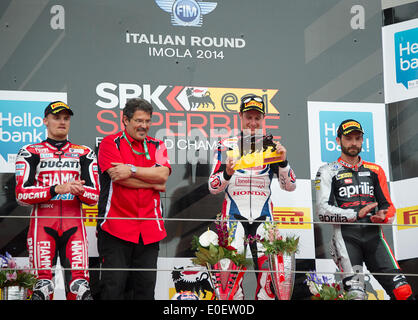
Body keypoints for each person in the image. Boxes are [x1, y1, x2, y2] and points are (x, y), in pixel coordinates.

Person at [208, 95, 296, 300]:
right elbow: (213, 187)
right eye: (249, 117)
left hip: (264, 218)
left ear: (264, 118)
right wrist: (227, 173)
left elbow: (290, 186)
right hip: (233, 217)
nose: (253, 123)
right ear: (240, 116)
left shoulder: (272, 146)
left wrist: (283, 163)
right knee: (227, 282)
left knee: (269, 282)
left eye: (257, 118)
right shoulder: (226, 145)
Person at [315, 119, 414, 300]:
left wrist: (383, 216)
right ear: (338, 141)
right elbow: (322, 211)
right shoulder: (327, 171)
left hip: (374, 237)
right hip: (346, 239)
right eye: (348, 138)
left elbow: (388, 206)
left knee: (403, 292)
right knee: (356, 296)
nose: (353, 143)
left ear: (362, 140)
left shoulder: (375, 170)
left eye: (357, 138)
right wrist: (355, 214)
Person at [15, 101, 100, 300]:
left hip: (74, 226)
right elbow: (21, 195)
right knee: (41, 287)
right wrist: (57, 189)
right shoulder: (30, 152)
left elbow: (94, 196)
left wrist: (77, 191)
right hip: (42, 226)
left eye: (66, 118)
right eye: (56, 118)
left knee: (80, 288)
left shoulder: (85, 153)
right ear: (45, 121)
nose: (62, 122)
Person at [97, 98, 171, 300]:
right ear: (125, 120)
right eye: (139, 120)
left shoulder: (158, 145)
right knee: (113, 290)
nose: (144, 126)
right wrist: (152, 182)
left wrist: (131, 170)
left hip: (149, 229)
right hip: (116, 228)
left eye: (147, 121)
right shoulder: (109, 143)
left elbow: (163, 176)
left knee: (145, 292)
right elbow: (119, 179)